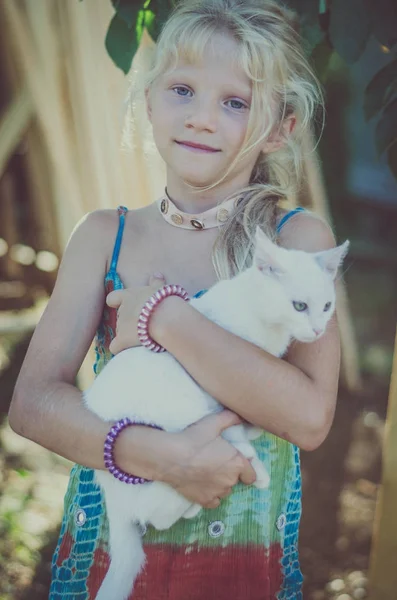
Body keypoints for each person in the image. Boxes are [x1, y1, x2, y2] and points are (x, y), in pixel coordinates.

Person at [9, 1, 343, 598]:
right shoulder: (103, 237)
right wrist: (160, 457)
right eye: (183, 90)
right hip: (108, 564)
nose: (201, 119)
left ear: (279, 128)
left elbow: (310, 418)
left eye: (234, 102)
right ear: (150, 100)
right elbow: (32, 404)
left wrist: (163, 317)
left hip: (241, 573)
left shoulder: (298, 245)